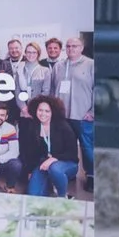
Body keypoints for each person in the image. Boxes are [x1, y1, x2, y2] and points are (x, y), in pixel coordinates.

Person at [51, 35, 96, 191]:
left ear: (81, 48)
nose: (71, 49)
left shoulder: (91, 64)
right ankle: (68, 172)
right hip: (62, 116)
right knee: (64, 147)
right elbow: (53, 89)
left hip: (83, 116)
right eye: (68, 46)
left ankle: (91, 176)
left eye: (74, 46)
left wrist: (93, 111)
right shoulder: (58, 66)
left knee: (87, 148)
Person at [23, 96, 78, 198]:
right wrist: (30, 171)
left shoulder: (63, 126)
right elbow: (29, 153)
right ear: (35, 110)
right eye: (40, 110)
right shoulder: (33, 126)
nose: (43, 114)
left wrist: (53, 159)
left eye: (47, 111)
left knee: (55, 169)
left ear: (53, 112)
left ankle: (62, 196)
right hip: (43, 165)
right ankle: (50, 184)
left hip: (66, 163)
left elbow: (72, 153)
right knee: (33, 194)